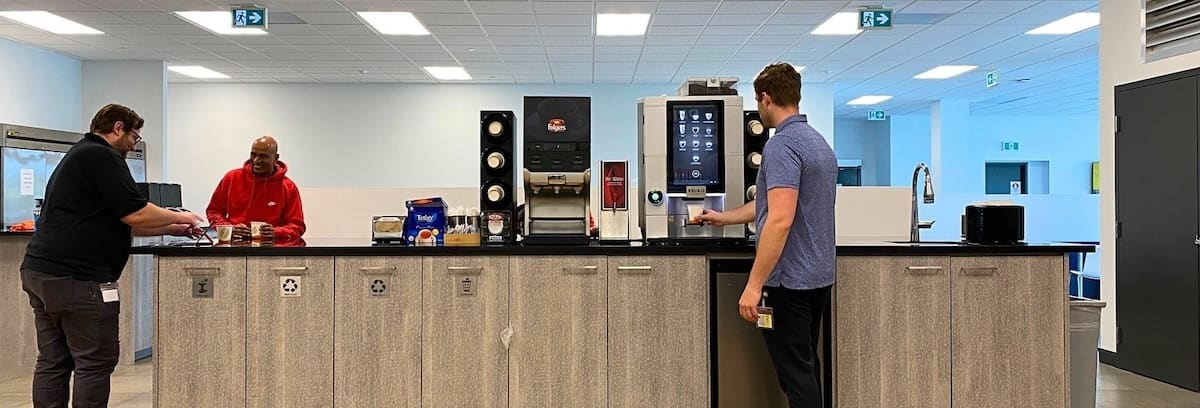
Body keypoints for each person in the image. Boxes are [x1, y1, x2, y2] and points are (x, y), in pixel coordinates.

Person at [21, 104, 204, 408]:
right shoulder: (102, 156)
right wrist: (182, 216)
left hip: (41, 272)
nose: (134, 145)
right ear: (118, 128)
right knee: (94, 362)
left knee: (54, 361)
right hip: (79, 279)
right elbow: (135, 212)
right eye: (134, 136)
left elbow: (116, 221)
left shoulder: (79, 154)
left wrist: (171, 229)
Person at [697, 62, 837, 408]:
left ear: (766, 98)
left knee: (795, 377)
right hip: (817, 278)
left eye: (758, 101)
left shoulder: (781, 146)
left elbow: (779, 220)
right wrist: (723, 218)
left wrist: (754, 285)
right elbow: (769, 203)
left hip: (788, 283)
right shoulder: (818, 143)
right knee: (805, 367)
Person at [206, 136, 306, 246]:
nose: (256, 160)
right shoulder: (231, 178)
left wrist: (275, 232)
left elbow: (297, 226)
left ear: (275, 158)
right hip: (234, 250)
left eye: (263, 156)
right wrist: (230, 229)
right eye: (253, 154)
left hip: (271, 253)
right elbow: (214, 211)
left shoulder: (288, 187)